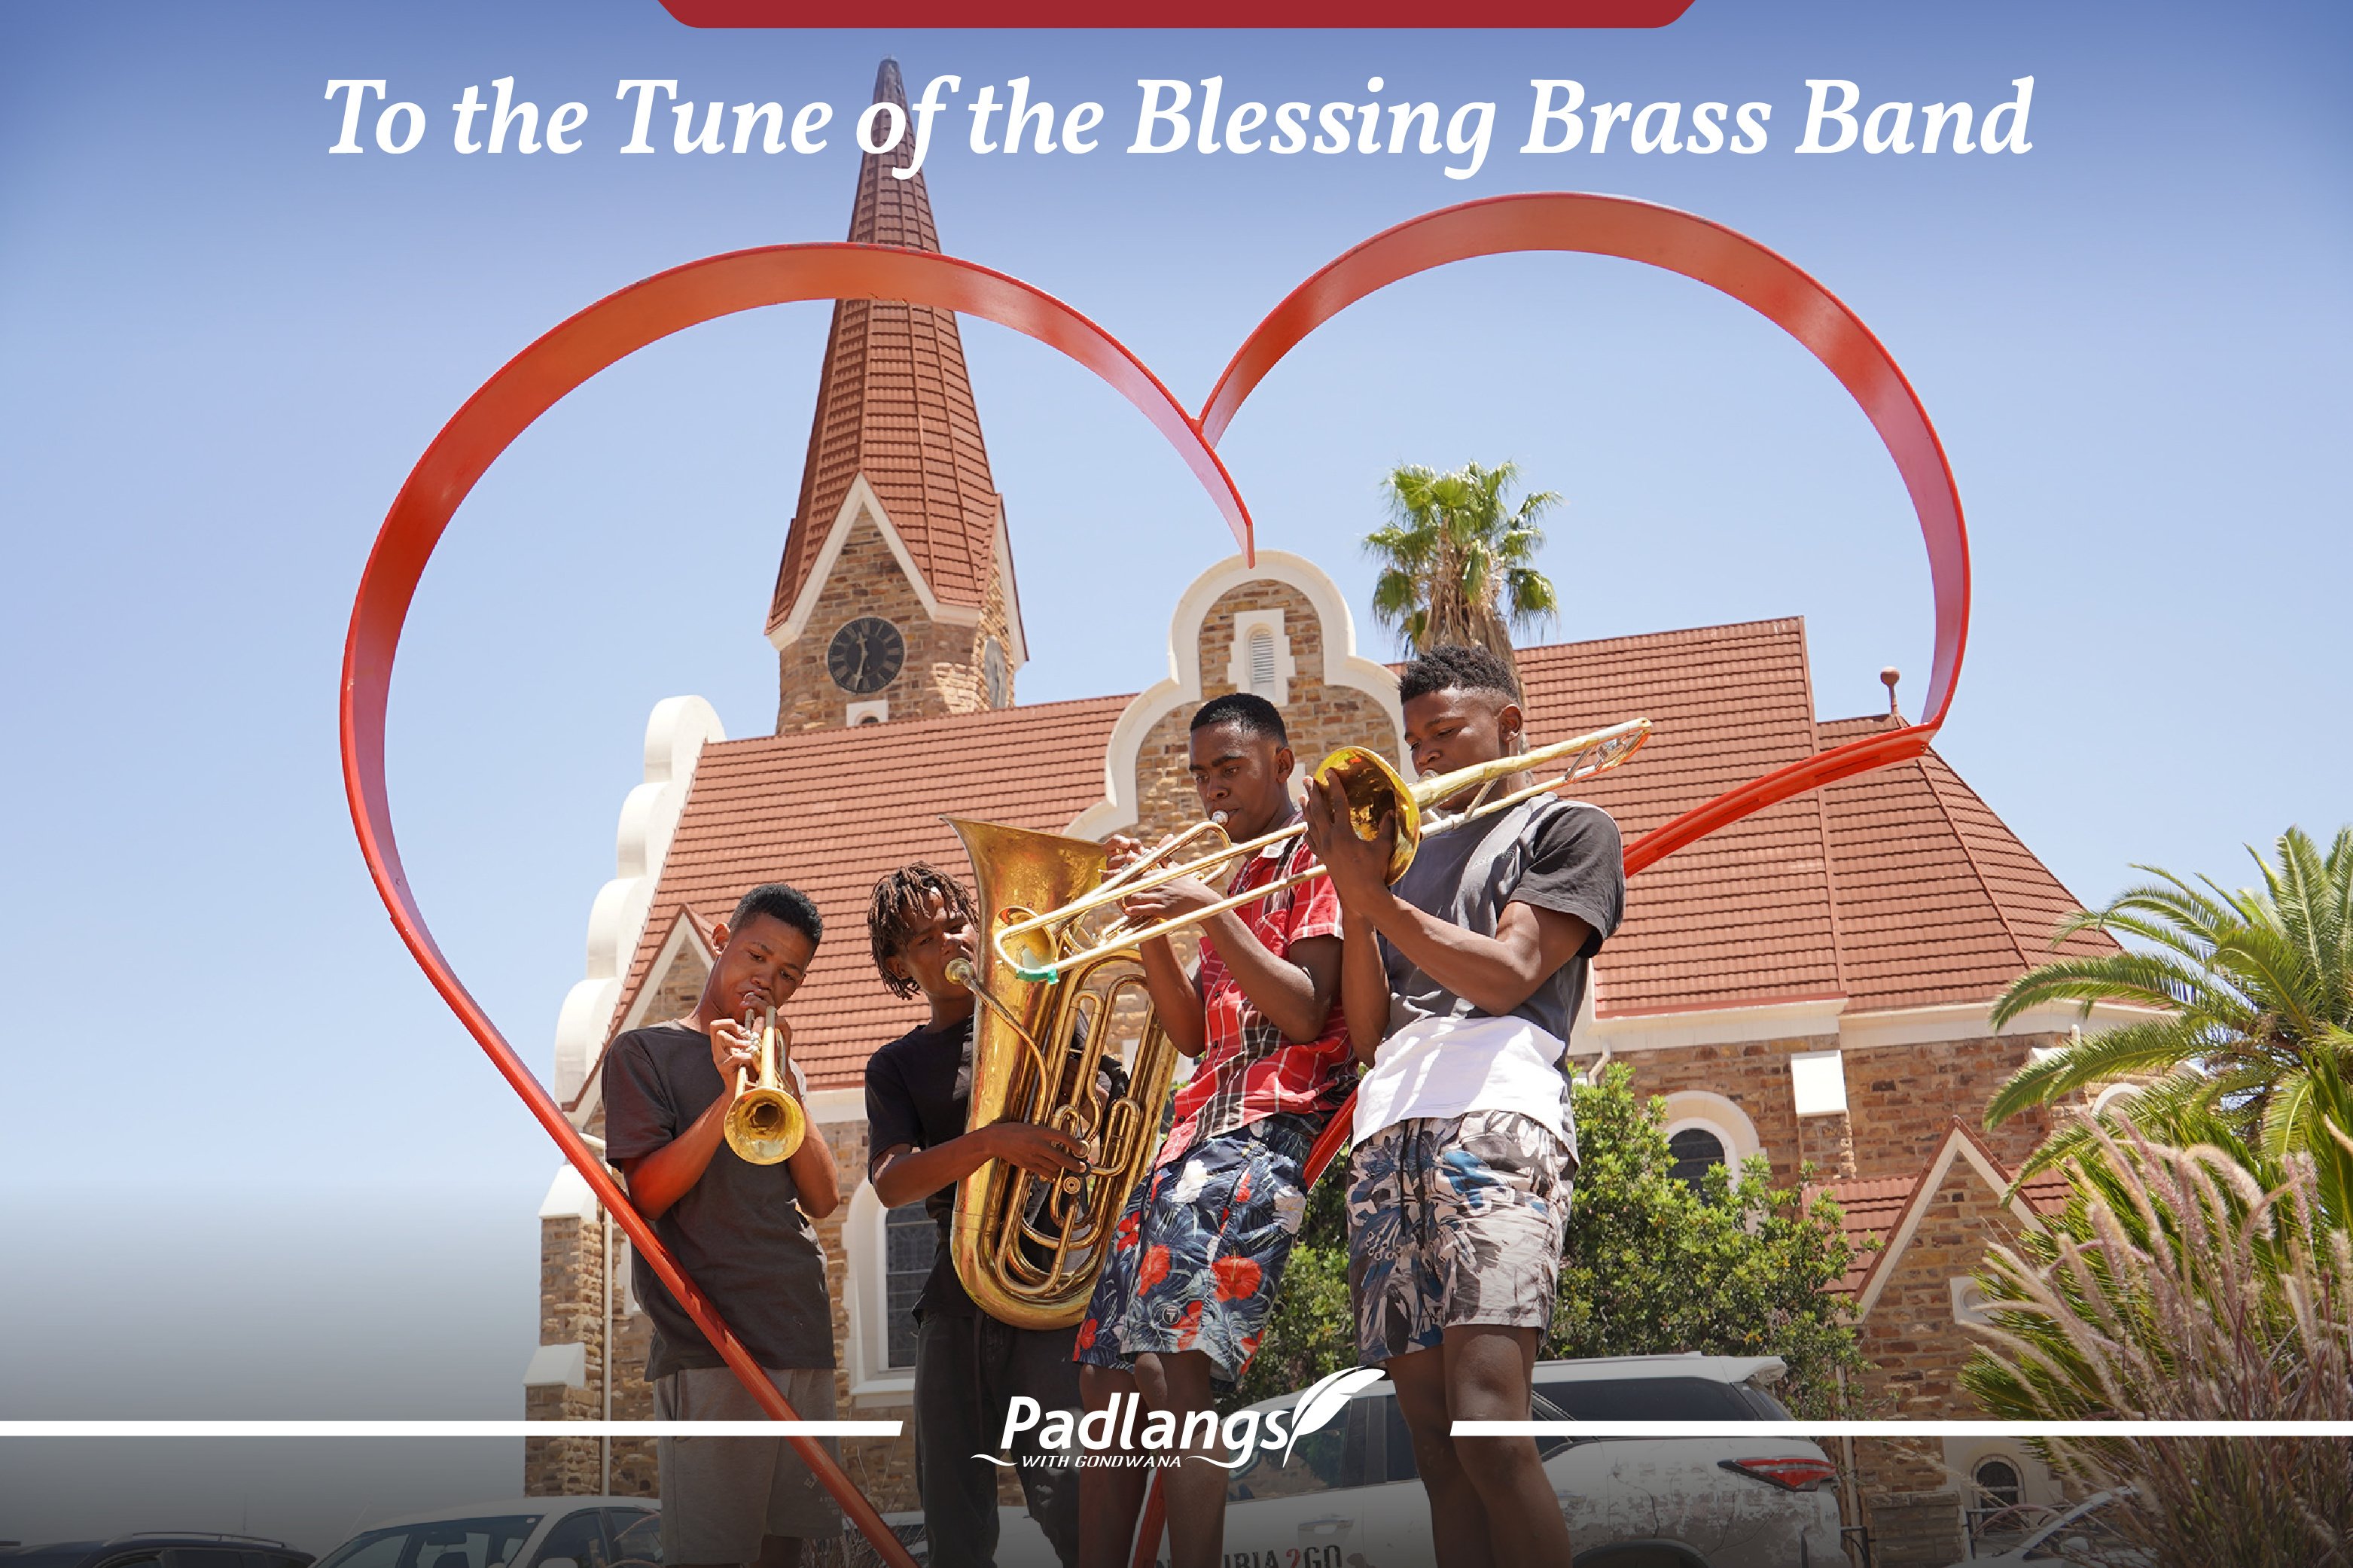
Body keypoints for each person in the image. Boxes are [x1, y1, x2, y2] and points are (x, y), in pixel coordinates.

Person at [1301, 644, 1625, 1568]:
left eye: (1445, 733)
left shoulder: (1568, 826)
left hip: (1496, 1114)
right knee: (1439, 1453)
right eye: (1415, 742)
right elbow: (1367, 1036)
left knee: (1488, 1425)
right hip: (1386, 1130)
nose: (1428, 757)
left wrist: (1372, 894)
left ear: (1507, 726)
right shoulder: (1400, 859)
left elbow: (1510, 974)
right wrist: (1356, 901)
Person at [1075, 692, 1357, 1568]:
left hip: (1268, 1131)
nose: (1209, 789)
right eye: (1198, 773)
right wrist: (1153, 927)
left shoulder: (1314, 856)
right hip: (1191, 1132)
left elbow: (1308, 1011)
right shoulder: (1233, 875)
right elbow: (1196, 1034)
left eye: (1226, 767)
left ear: (1281, 761)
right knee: (1105, 1382)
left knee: (1171, 1374)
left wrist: (1206, 911)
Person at [602, 882, 845, 1568]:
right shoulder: (643, 1052)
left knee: (784, 1551)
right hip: (710, 1340)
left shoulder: (780, 1061)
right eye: (755, 956)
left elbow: (824, 1197)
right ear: (719, 937)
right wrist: (727, 1093)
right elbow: (646, 1194)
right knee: (712, 1555)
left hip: (799, 1329)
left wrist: (783, 1083)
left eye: (788, 974)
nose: (765, 981)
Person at [864, 862, 1094, 1568]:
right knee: (956, 1523)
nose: (948, 942)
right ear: (900, 965)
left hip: (1050, 1288)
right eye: (924, 940)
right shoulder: (895, 1064)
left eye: (955, 922)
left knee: (1074, 1504)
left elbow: (1105, 1126)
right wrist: (993, 1141)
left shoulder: (1049, 1022)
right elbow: (891, 1182)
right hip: (955, 1296)